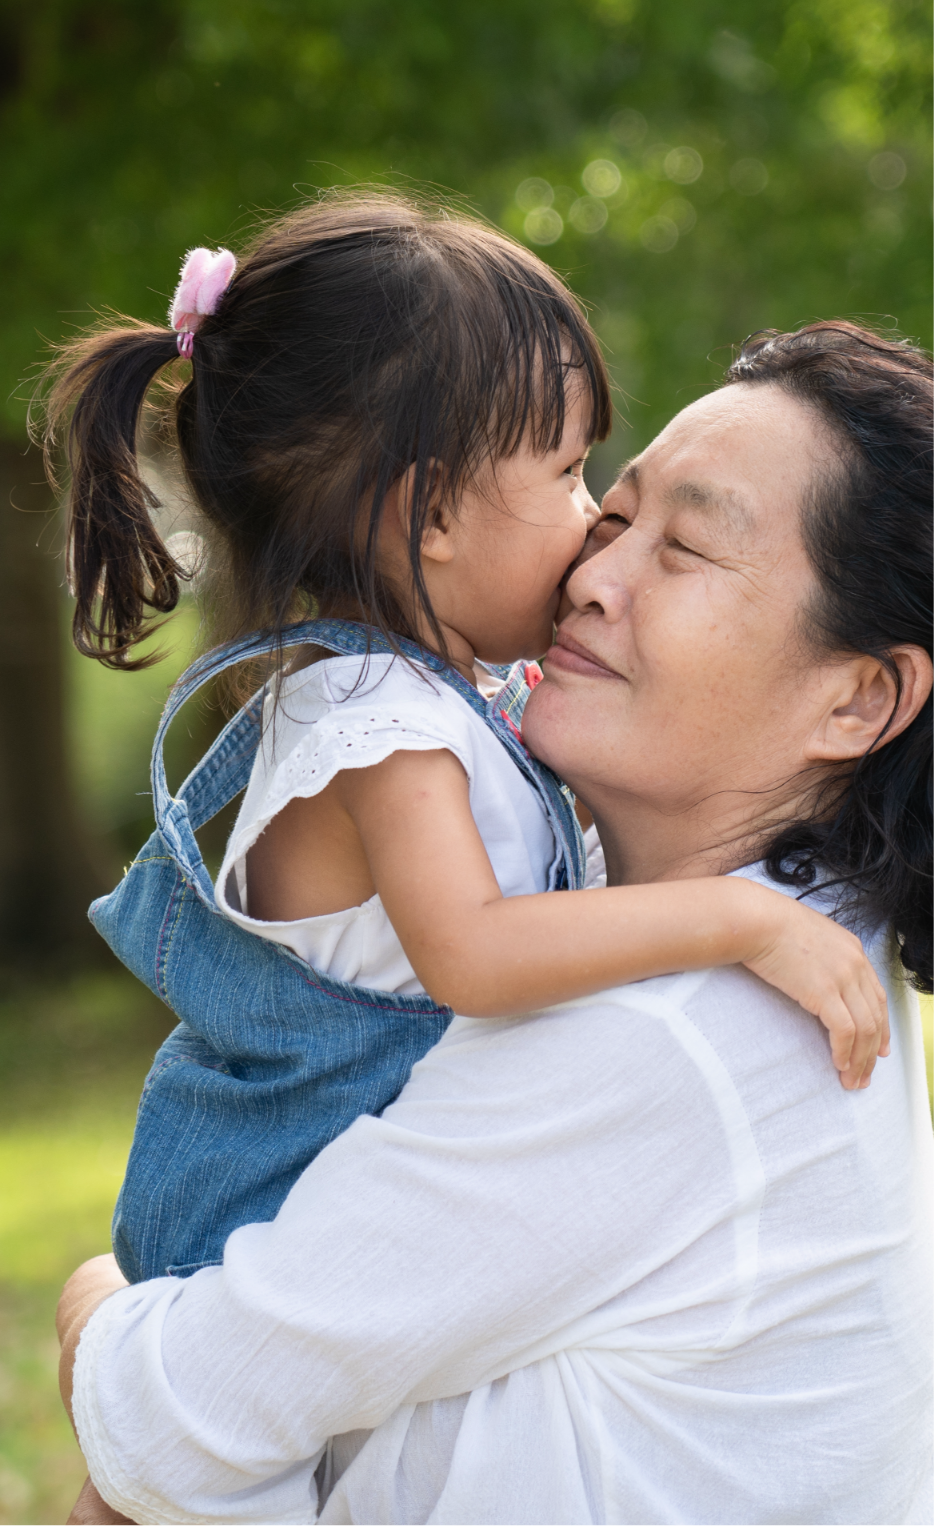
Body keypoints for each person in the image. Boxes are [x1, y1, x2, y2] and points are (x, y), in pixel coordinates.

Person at [59, 321, 934, 1524]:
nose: (590, 574)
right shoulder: (782, 937)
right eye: (611, 516)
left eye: (683, 549)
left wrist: (92, 1297)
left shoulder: (670, 1030)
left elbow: (173, 1419)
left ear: (857, 697)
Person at [39, 196, 883, 1286]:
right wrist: (739, 919)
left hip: (347, 1199)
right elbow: (475, 956)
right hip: (256, 1220)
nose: (593, 523)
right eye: (567, 473)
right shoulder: (379, 727)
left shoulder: (444, 700)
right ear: (432, 516)